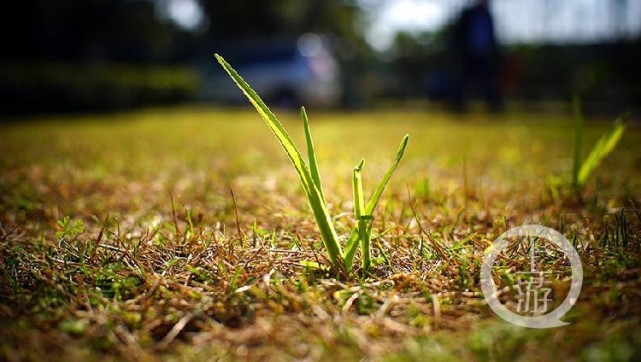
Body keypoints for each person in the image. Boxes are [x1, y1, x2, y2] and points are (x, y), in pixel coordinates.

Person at [451, 0, 503, 112]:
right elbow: (458, 34)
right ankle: (458, 106)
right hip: (468, 54)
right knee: (463, 81)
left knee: (488, 80)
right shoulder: (468, 14)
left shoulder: (488, 16)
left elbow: (491, 37)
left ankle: (494, 107)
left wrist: (494, 53)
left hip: (484, 54)